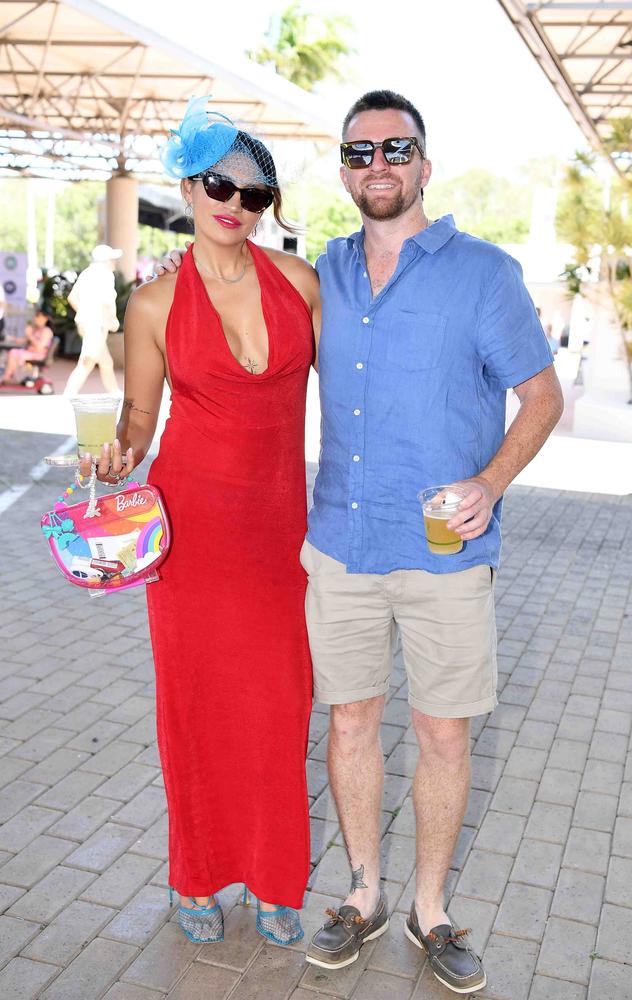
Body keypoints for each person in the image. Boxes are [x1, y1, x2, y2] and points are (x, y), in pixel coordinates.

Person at [154, 89, 563, 995]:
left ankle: (430, 910)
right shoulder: (322, 274)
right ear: (342, 170)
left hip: (445, 553)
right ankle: (361, 893)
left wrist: (490, 484)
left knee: (444, 736)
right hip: (338, 543)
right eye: (359, 152)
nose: (377, 165)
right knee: (349, 723)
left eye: (396, 148)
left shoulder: (484, 273)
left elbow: (542, 397)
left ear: (424, 160)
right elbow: (233, 330)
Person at [81, 97, 321, 946]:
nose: (236, 204)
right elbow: (140, 424)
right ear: (190, 185)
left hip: (280, 537)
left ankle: (274, 877)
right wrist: (116, 456)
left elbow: (359, 394)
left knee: (281, 704)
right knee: (194, 707)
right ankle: (196, 877)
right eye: (222, 184)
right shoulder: (151, 305)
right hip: (191, 535)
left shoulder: (300, 285)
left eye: (255, 194)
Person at [63, 244, 122, 396]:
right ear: (106, 261)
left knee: (105, 362)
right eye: (112, 259)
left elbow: (72, 297)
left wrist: (85, 314)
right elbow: (107, 302)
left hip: (87, 323)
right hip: (96, 325)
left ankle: (114, 392)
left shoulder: (87, 273)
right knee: (87, 361)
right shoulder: (105, 275)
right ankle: (69, 394)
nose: (115, 262)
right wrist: (112, 321)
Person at [0, 309, 53, 383]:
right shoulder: (35, 329)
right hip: (30, 353)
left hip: (38, 355)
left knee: (14, 352)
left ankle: (7, 377)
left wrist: (30, 335)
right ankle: (9, 376)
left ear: (45, 318)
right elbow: (23, 341)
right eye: (35, 316)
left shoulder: (47, 331)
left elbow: (40, 347)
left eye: (38, 316)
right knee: (13, 352)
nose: (35, 318)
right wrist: (9, 338)